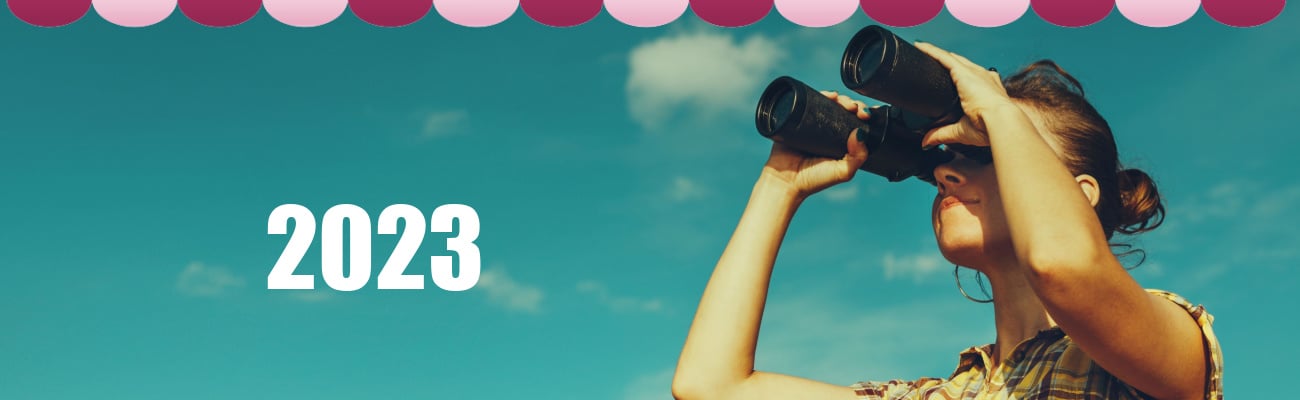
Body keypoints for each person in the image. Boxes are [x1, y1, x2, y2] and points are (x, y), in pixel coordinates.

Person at [670, 41, 1223, 400]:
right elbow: (711, 384)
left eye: (983, 150)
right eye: (941, 159)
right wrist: (780, 184)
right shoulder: (949, 394)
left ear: (1081, 195)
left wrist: (1000, 112)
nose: (946, 175)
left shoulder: (1166, 344)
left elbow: (1065, 266)